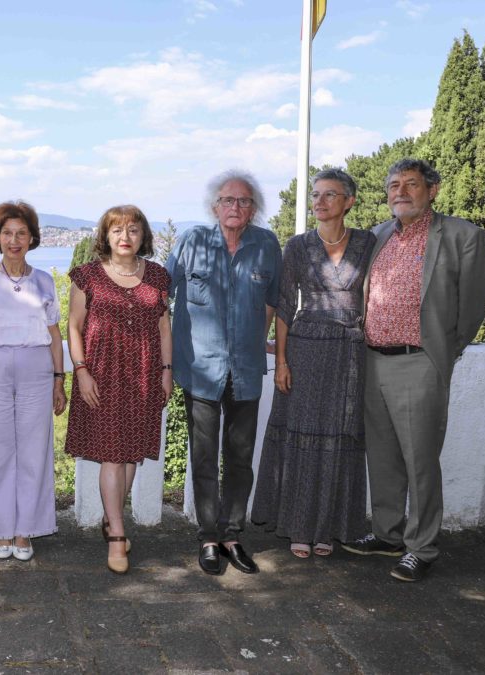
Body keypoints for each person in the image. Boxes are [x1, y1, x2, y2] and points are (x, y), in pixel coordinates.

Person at [341, 158, 485, 582]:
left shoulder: (463, 236)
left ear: (432, 190)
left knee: (420, 458)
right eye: (393, 186)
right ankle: (388, 533)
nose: (400, 192)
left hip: (420, 361)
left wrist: (441, 351)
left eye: (410, 184)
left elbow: (473, 305)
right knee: (383, 454)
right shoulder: (378, 235)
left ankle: (421, 546)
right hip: (373, 359)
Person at [251, 169, 375, 558]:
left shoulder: (369, 242)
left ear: (349, 201)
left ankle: (329, 527)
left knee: (341, 438)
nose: (319, 202)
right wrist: (282, 361)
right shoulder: (298, 246)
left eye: (330, 195)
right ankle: (298, 527)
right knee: (300, 439)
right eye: (316, 195)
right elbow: (286, 306)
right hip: (305, 348)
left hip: (350, 352)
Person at [165, 170, 281, 576]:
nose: (236, 207)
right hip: (200, 370)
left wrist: (256, 338)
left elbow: (272, 300)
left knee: (239, 458)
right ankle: (208, 537)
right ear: (215, 207)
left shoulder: (266, 245)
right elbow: (161, 293)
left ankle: (233, 535)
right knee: (202, 458)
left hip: (247, 370)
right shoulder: (192, 242)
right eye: (229, 201)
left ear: (254, 209)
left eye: (245, 201)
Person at [63, 205, 172, 574]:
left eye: (132, 230)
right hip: (101, 373)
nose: (124, 237)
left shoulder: (157, 276)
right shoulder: (87, 275)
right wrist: (81, 371)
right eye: (117, 231)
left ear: (143, 236)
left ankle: (112, 519)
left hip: (143, 373)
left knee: (130, 455)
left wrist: (166, 371)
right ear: (105, 237)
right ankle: (117, 535)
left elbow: (163, 329)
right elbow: (73, 326)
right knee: (111, 453)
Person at [0, 201, 67, 561]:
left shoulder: (44, 281)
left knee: (34, 450)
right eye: (7, 233)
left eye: (21, 233)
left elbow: (55, 336)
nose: (14, 239)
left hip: (36, 369)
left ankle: (25, 531)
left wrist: (58, 381)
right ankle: (0, 529)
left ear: (32, 237)